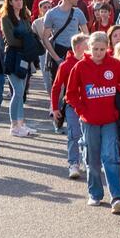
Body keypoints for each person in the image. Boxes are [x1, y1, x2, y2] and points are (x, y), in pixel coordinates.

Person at [66, 31, 120, 213]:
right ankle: (95, 193)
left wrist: (119, 110)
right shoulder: (80, 67)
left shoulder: (116, 66)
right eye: (95, 49)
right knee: (92, 160)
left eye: (102, 49)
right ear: (89, 48)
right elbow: (70, 94)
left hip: (110, 120)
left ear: (107, 48)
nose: (99, 52)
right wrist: (81, 110)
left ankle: (117, 197)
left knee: (111, 157)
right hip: (89, 121)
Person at [0, 0, 42, 138]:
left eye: (21, 0)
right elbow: (10, 40)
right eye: (16, 0)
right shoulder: (6, 18)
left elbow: (30, 34)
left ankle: (21, 123)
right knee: (17, 92)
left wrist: (28, 42)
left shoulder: (25, 17)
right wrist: (27, 42)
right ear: (10, 2)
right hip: (13, 56)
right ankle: (14, 125)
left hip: (25, 56)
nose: (19, 2)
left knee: (22, 91)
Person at [50, 33, 89, 179]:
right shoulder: (66, 65)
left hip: (89, 105)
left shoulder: (91, 63)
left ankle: (87, 160)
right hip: (72, 105)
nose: (90, 48)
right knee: (74, 134)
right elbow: (56, 87)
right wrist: (54, 108)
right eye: (88, 45)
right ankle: (73, 163)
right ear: (79, 48)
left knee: (88, 135)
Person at [39, 0, 90, 86]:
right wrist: (56, 58)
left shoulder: (78, 12)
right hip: (58, 50)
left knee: (74, 84)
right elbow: (45, 38)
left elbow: (86, 34)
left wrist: (82, 53)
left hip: (74, 51)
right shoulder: (51, 13)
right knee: (57, 85)